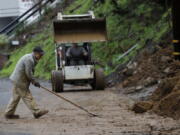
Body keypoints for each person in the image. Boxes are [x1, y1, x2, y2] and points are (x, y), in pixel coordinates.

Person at [4, 46, 48, 119]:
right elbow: (28, 73)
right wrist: (34, 82)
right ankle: (36, 112)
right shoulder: (29, 59)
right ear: (36, 53)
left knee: (15, 98)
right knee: (27, 96)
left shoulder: (31, 58)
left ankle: (9, 113)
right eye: (40, 55)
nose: (41, 56)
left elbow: (29, 73)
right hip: (19, 80)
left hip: (18, 79)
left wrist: (34, 81)